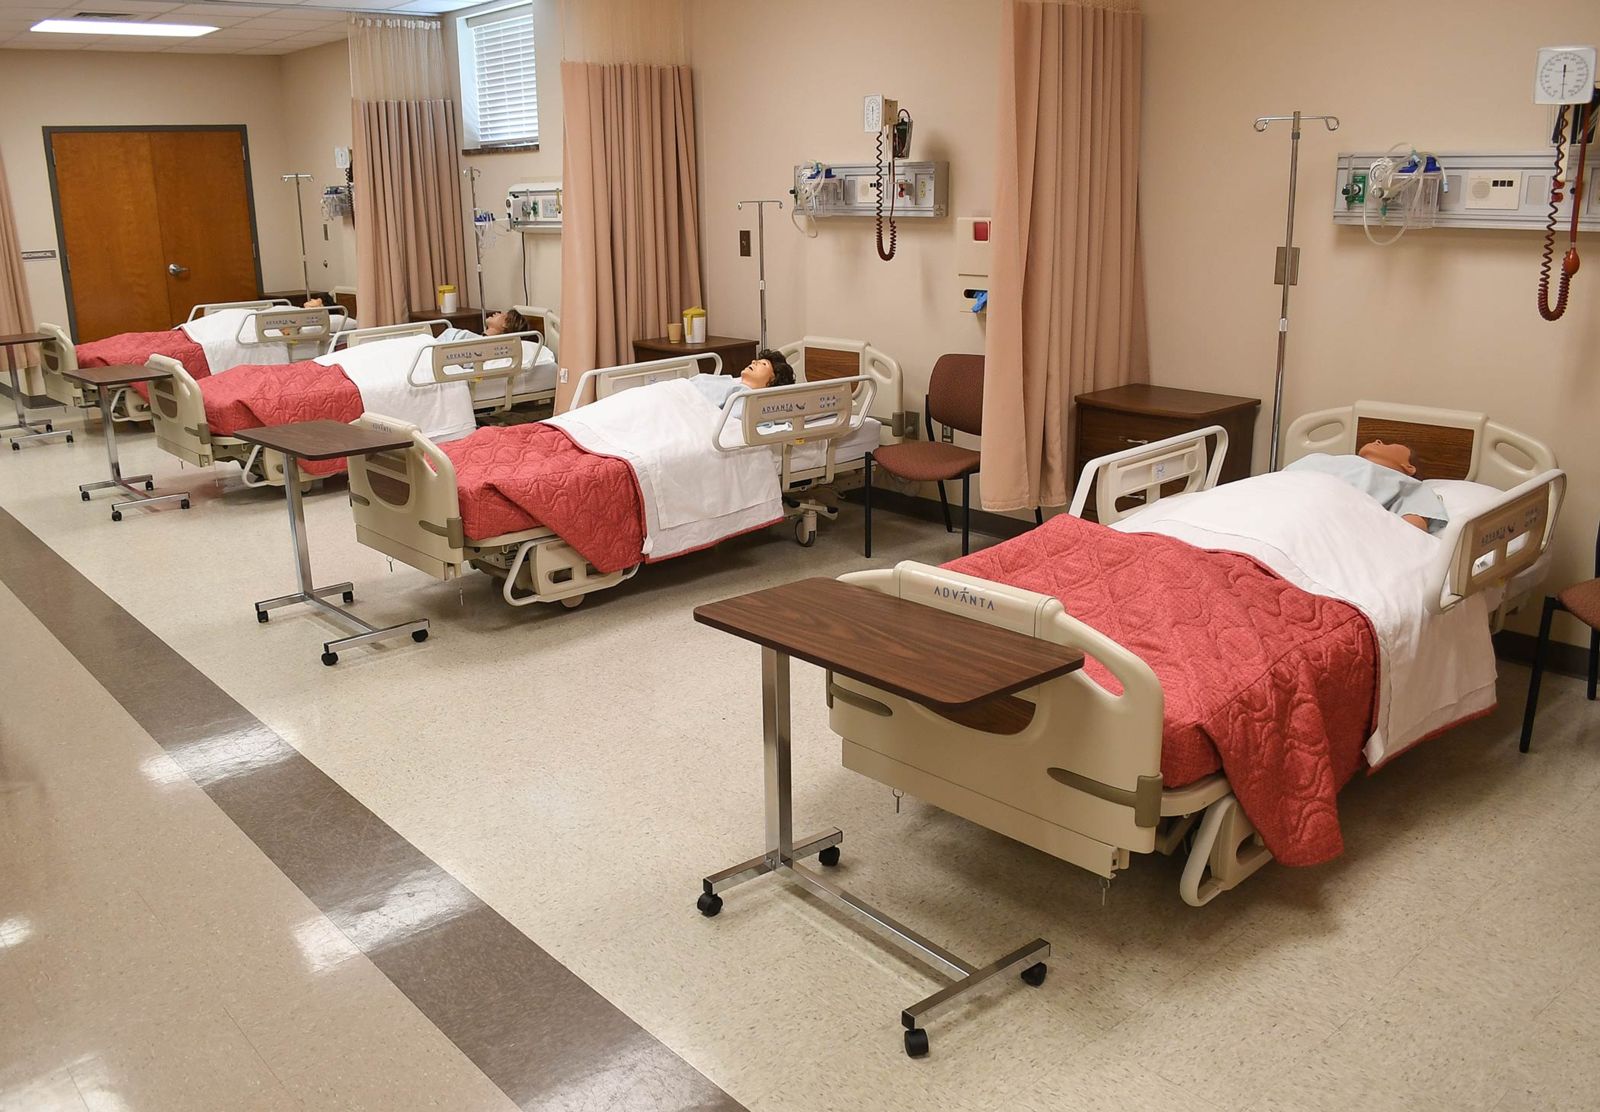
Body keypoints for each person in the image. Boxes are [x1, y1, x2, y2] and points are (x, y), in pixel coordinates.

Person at [1285, 439, 1448, 532]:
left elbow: (1410, 532)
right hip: (1282, 512)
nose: (1378, 441)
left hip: (1322, 527)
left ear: (1409, 467)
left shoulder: (1410, 486)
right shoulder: (1321, 459)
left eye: (1389, 444)